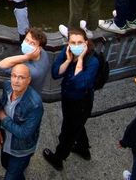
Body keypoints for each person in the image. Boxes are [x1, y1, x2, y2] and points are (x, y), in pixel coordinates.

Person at [42, 26, 102, 170]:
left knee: (68, 132)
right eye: (72, 42)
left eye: (79, 42)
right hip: (67, 97)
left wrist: (79, 60)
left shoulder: (92, 61)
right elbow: (55, 73)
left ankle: (58, 158)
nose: (76, 45)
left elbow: (78, 83)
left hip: (81, 103)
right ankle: (83, 149)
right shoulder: (67, 51)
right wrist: (68, 60)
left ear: (85, 42)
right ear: (68, 43)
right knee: (77, 125)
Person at [0, 63, 43, 180]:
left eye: (21, 77)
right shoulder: (7, 86)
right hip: (6, 140)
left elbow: (24, 133)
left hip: (21, 149)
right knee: (5, 165)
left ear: (28, 80)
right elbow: (1, 108)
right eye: (14, 76)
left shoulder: (35, 104)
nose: (16, 81)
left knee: (11, 175)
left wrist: (4, 119)